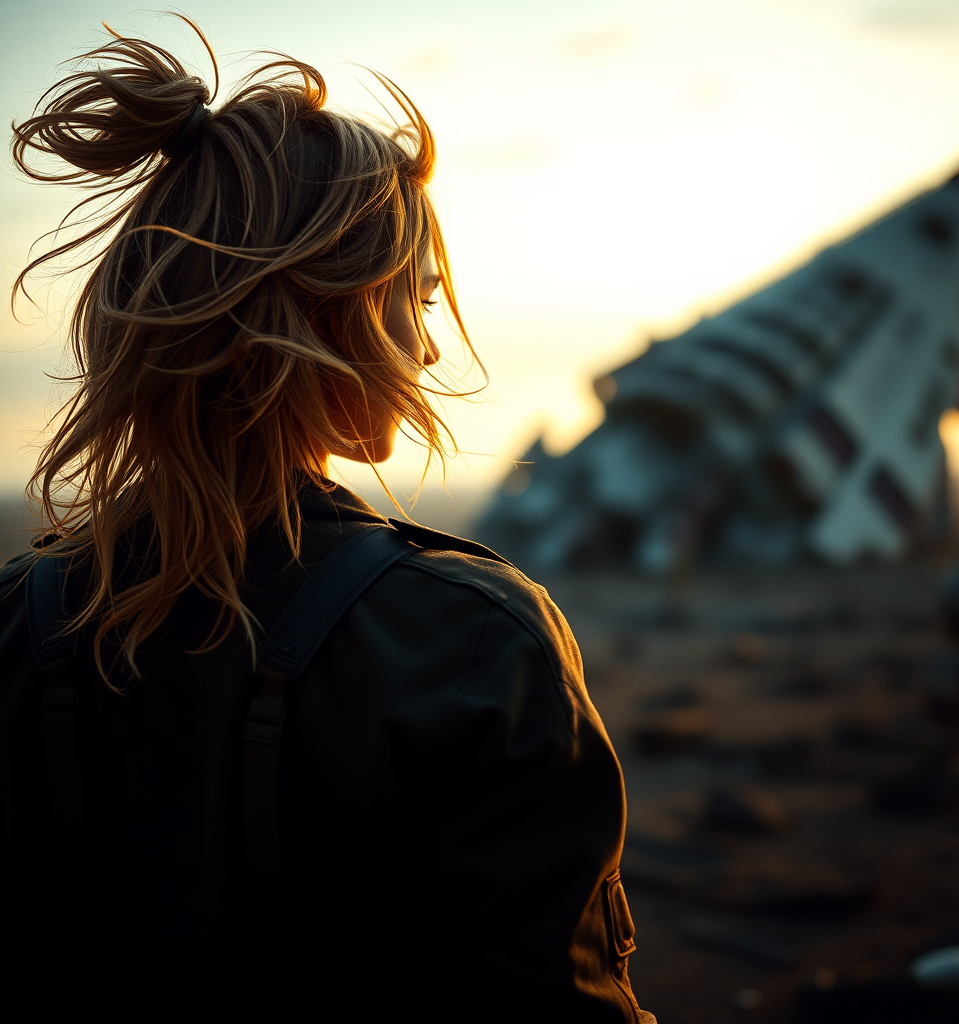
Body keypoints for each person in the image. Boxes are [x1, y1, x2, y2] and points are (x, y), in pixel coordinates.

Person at [0, 17, 656, 1023]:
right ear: (322, 313)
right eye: (418, 301)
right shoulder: (477, 639)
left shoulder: (12, 622)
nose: (429, 351)